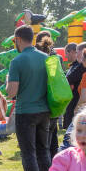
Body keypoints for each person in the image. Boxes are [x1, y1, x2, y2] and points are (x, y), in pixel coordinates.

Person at [6, 25, 50, 171]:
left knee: (28, 153)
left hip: (26, 111)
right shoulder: (46, 58)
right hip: (45, 110)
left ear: (17, 39)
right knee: (43, 151)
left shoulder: (17, 61)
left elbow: (12, 92)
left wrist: (10, 81)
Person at [36, 31, 61, 162]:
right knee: (53, 139)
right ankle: (55, 168)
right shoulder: (56, 59)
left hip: (43, 104)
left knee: (42, 144)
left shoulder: (41, 60)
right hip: (55, 103)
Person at [63, 42, 86, 129]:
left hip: (80, 101)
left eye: (78, 52)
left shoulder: (83, 67)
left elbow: (69, 79)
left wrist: (77, 108)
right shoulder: (79, 66)